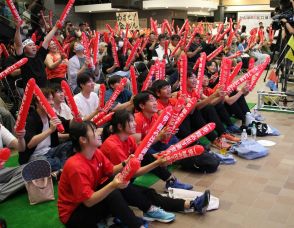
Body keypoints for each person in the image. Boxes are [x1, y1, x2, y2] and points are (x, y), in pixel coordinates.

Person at [101, 110, 211, 221]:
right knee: (148, 194)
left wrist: (161, 157)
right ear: (120, 126)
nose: (135, 123)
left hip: (123, 180)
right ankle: (187, 205)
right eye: (131, 121)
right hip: (113, 186)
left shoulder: (128, 139)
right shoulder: (113, 146)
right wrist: (156, 163)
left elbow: (139, 161)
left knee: (146, 155)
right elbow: (131, 173)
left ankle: (182, 194)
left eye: (134, 120)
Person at [58, 121, 146, 228]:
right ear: (83, 139)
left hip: (88, 202)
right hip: (73, 215)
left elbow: (111, 170)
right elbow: (88, 202)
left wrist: (125, 163)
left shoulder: (96, 152)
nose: (99, 133)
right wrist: (113, 185)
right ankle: (136, 223)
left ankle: (144, 210)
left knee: (113, 182)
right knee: (112, 191)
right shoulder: (75, 166)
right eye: (94, 131)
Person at [133, 91, 193, 190]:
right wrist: (160, 137)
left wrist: (167, 133)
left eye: (155, 100)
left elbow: (162, 137)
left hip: (156, 145)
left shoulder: (155, 116)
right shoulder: (137, 120)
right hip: (146, 151)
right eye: (151, 101)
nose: (155, 103)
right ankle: (171, 178)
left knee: (176, 142)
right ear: (142, 105)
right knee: (149, 155)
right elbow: (137, 147)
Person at [20, 88, 72, 171]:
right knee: (45, 162)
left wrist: (77, 118)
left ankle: (60, 169)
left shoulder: (51, 115)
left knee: (72, 145)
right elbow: (30, 144)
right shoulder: (31, 119)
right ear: (37, 102)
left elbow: (67, 124)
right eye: (47, 99)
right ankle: (64, 166)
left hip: (50, 151)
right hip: (35, 156)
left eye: (52, 99)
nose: (51, 103)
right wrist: (50, 130)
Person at [14, 19, 59, 88]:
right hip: (32, 91)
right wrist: (17, 29)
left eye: (34, 45)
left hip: (45, 89)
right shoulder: (23, 59)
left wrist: (55, 27)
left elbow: (47, 40)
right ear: (24, 49)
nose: (33, 46)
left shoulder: (40, 55)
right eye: (30, 45)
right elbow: (18, 44)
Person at [0, 124, 26, 201]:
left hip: (2, 172)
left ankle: (3, 189)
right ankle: (12, 187)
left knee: (28, 169)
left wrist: (21, 137)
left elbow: (21, 148)